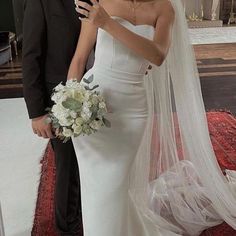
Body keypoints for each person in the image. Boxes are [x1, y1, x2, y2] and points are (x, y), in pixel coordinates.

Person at [69, 0, 236, 235]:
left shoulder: (164, 8)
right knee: (95, 187)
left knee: (115, 184)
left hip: (133, 108)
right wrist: (68, 103)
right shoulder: (102, 2)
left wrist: (106, 23)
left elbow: (157, 55)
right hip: (93, 101)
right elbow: (78, 59)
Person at [22, 0, 91, 234]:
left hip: (105, 93)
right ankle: (67, 229)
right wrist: (37, 113)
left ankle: (93, 219)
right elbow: (31, 56)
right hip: (60, 100)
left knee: (95, 166)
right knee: (68, 169)